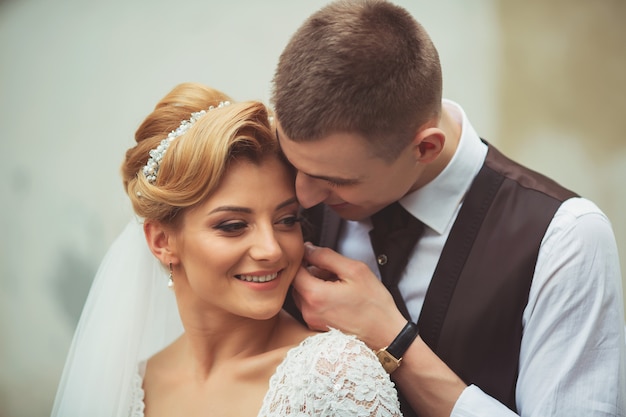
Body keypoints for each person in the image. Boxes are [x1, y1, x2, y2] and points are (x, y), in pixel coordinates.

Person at [271, 1, 626, 416]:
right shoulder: (281, 205)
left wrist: (393, 339)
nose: (305, 195)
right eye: (294, 164)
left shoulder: (565, 238)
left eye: (336, 181)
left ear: (425, 147)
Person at [50, 82, 402, 417]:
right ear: (162, 241)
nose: (271, 250)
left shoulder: (337, 377)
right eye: (233, 226)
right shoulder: (130, 385)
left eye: (287, 220)